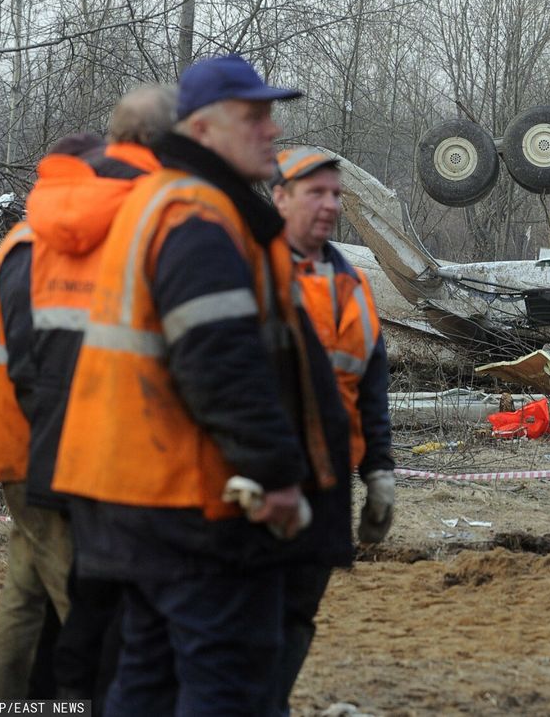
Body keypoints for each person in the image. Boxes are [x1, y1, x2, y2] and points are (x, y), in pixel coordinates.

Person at [51, 54, 353, 715]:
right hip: (195, 512)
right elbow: (218, 360)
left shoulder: (165, 201)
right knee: (226, 687)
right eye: (254, 116)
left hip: (142, 504)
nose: (271, 130)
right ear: (204, 130)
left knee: (149, 684)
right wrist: (276, 474)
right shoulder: (200, 216)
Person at [0, 87, 175, 702]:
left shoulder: (25, 246)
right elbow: (41, 366)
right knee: (79, 597)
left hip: (27, 448)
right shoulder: (35, 251)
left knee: (26, 592)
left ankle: (10, 701)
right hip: (44, 452)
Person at [269, 147, 396, 713]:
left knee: (299, 611)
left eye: (336, 194)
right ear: (279, 198)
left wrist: (380, 473)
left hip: (329, 479)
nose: (329, 205)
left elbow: (370, 388)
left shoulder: (353, 285)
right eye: (313, 192)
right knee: (247, 614)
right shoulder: (249, 274)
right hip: (260, 482)